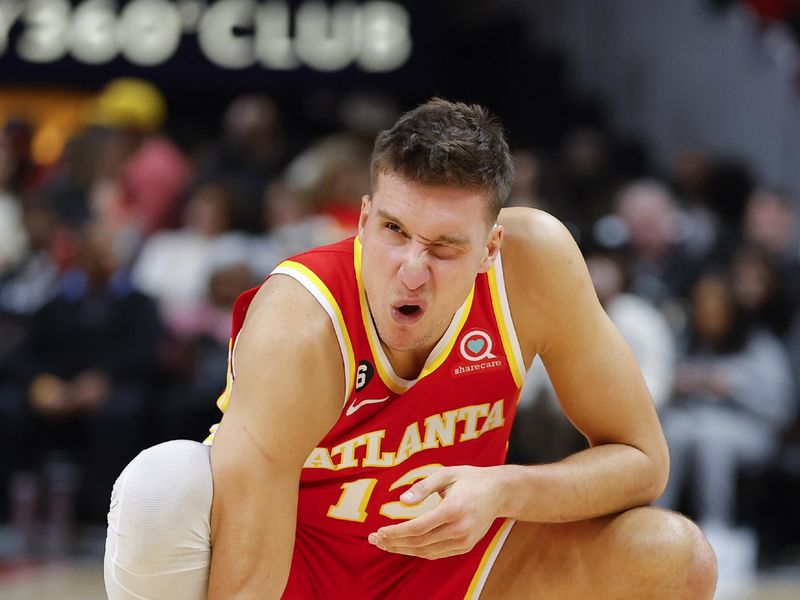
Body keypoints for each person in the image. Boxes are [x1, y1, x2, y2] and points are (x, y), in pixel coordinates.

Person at [104, 99, 716, 599]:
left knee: (674, 556)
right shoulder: (300, 324)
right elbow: (248, 582)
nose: (411, 271)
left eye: (445, 246)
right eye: (394, 231)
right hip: (295, 570)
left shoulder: (535, 264)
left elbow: (642, 459)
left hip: (459, 569)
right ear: (364, 219)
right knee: (163, 486)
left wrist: (504, 489)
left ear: (490, 248)